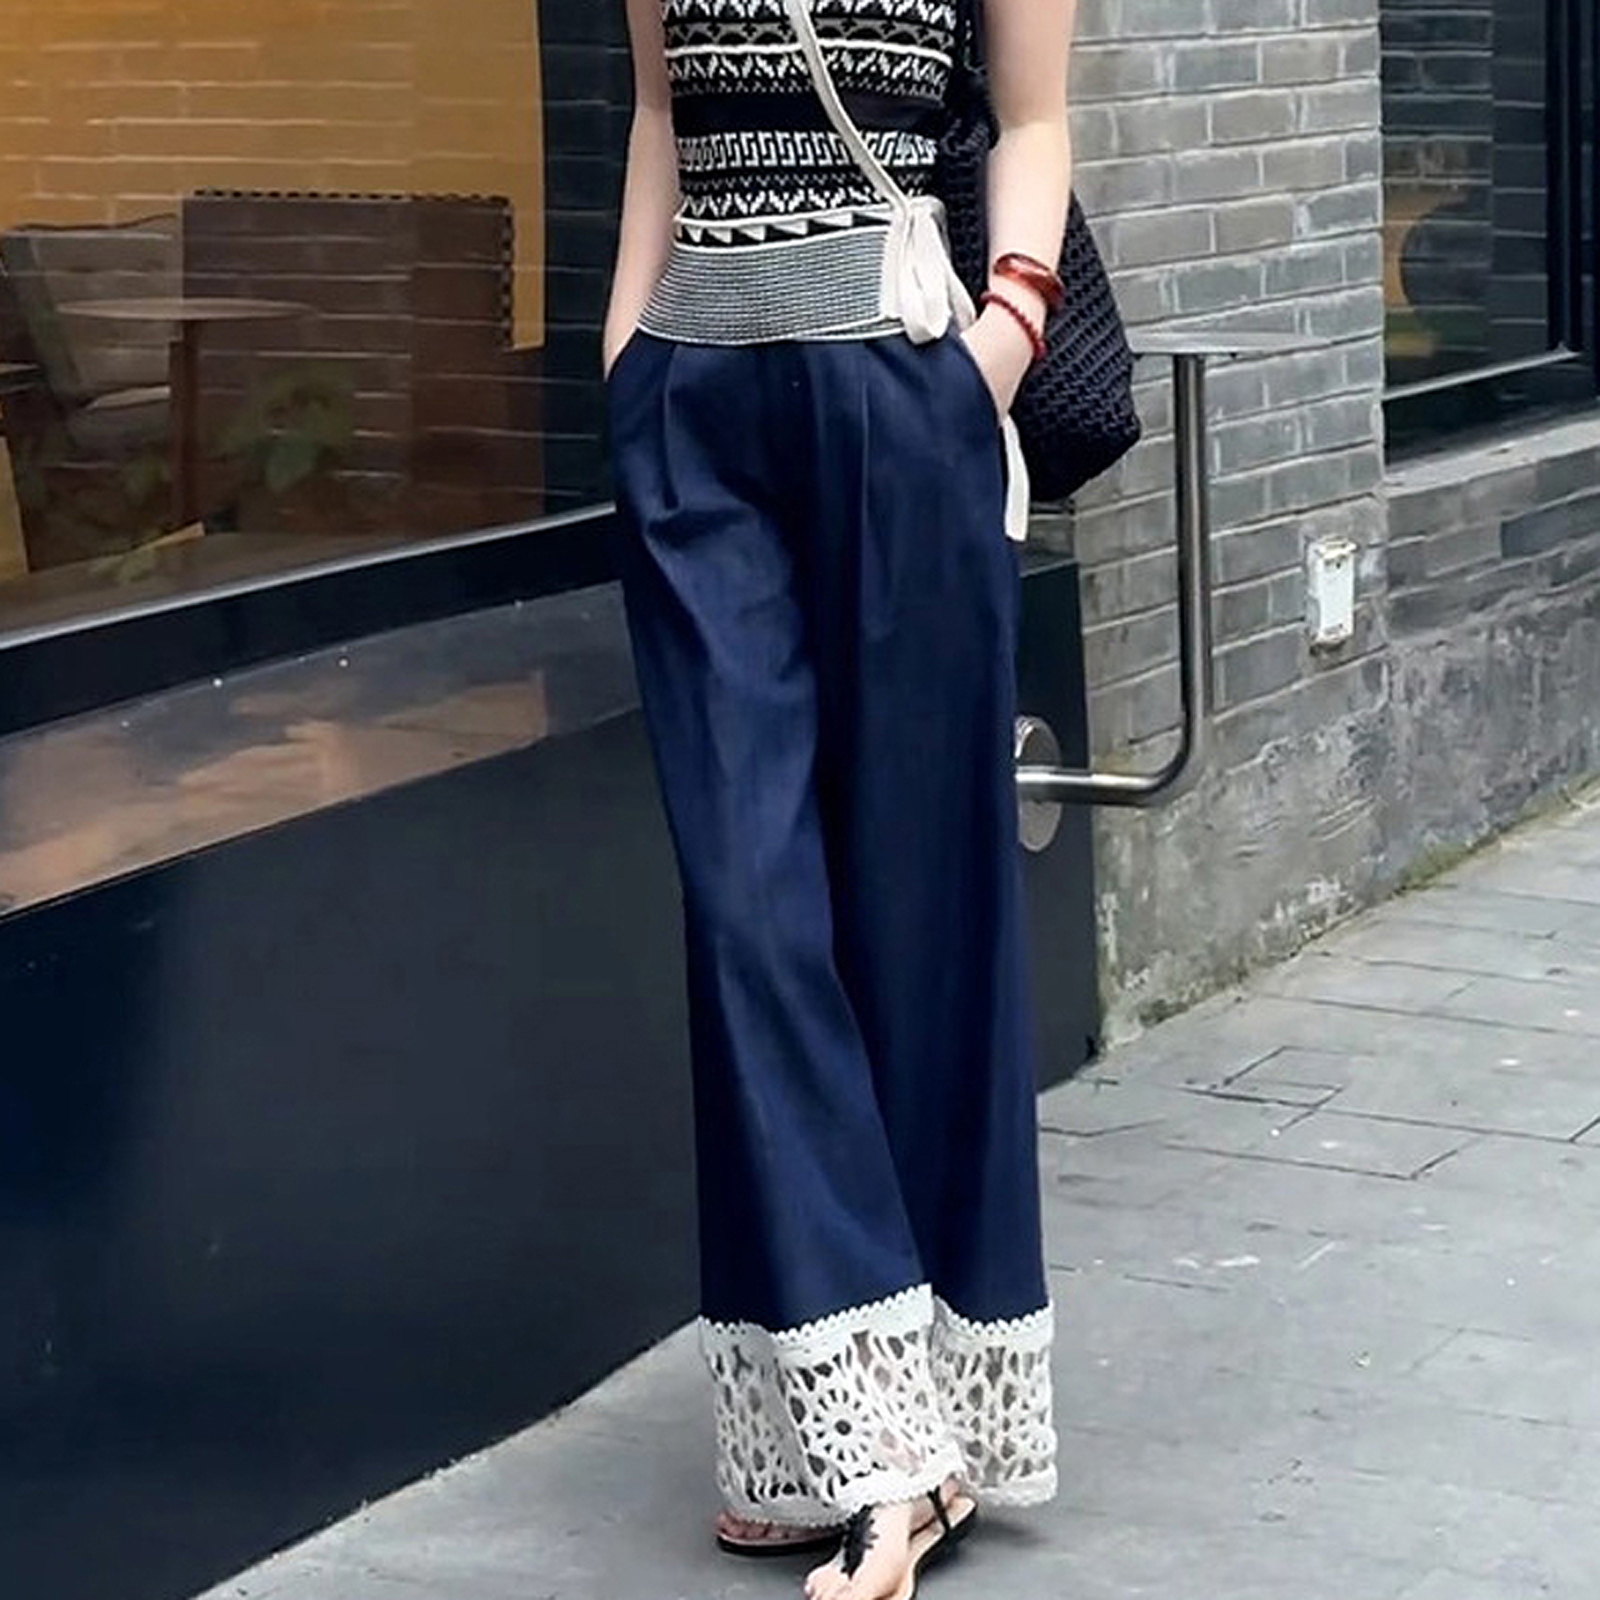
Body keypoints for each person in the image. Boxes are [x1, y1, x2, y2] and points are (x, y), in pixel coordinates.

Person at [603, 2, 1074, 1596]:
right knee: (748, 907)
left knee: (915, 910)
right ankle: (871, 1440)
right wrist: (626, 359)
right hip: (696, 408)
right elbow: (660, 115)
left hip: (901, 389)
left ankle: (869, 1440)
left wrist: (997, 346)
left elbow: (1033, 121)